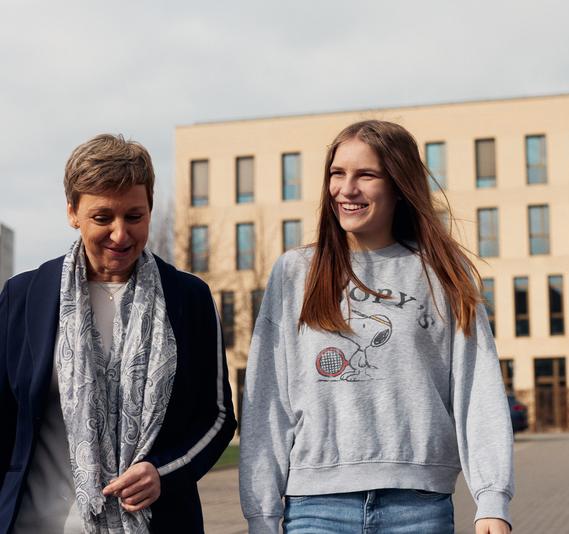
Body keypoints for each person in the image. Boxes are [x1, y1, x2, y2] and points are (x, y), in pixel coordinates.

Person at [240, 120, 514, 534]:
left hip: (418, 506)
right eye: (337, 173)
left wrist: (492, 498)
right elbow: (268, 400)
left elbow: (477, 389)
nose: (346, 189)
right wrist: (261, 513)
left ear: (400, 185)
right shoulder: (296, 272)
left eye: (365, 175)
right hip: (316, 508)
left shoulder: (444, 271)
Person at [0, 134, 237, 533]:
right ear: (73, 212)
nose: (120, 235)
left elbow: (216, 418)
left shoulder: (188, 297)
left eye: (134, 216)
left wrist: (162, 471)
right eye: (102, 217)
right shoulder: (24, 297)